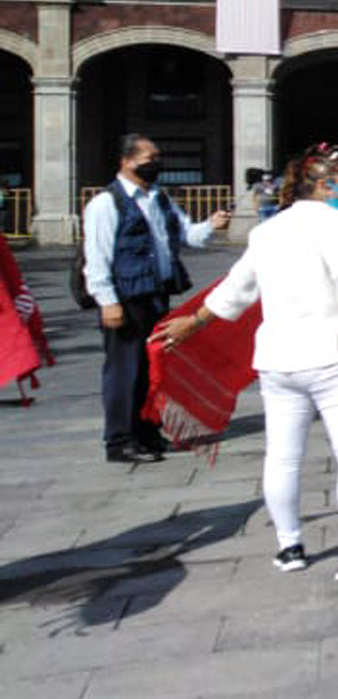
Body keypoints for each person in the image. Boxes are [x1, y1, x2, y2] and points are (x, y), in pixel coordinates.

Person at [151, 147, 338, 585]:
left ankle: (290, 547)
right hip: (328, 355)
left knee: (284, 457)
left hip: (276, 360)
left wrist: (192, 322)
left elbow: (237, 287)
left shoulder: (269, 230)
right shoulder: (334, 223)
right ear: (324, 186)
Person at [82, 134, 230, 464]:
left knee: (152, 365)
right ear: (126, 162)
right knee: (125, 369)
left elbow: (185, 234)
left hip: (156, 292)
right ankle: (120, 438)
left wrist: (211, 225)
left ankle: (148, 430)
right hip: (126, 295)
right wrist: (108, 301)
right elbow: (97, 256)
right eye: (149, 158)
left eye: (157, 157)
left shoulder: (158, 199)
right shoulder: (106, 203)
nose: (155, 164)